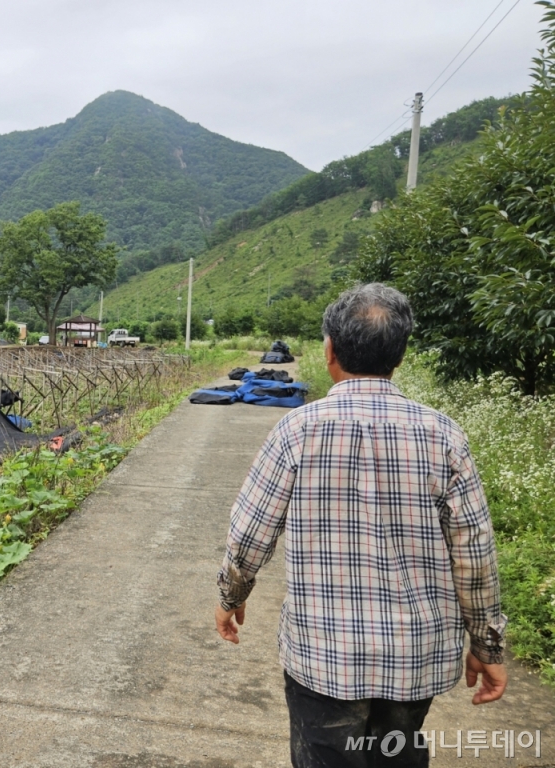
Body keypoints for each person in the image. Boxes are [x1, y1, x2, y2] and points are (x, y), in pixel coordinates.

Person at [214, 283, 507, 767]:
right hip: (415, 654)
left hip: (323, 655)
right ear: (400, 354)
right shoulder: (442, 435)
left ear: (330, 350)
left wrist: (231, 598)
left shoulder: (296, 430)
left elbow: (250, 533)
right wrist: (487, 643)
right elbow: (474, 553)